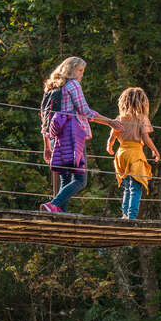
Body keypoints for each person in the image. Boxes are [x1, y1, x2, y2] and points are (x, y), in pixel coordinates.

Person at [39, 56, 122, 213]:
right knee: (80, 180)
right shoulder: (73, 85)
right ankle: (52, 204)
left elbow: (44, 119)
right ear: (71, 70)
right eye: (80, 70)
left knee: (65, 178)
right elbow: (86, 112)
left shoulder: (51, 88)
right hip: (72, 137)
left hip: (56, 138)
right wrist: (110, 122)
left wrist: (47, 145)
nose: (82, 75)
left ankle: (60, 218)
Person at [108, 87, 160, 220]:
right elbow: (146, 138)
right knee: (136, 186)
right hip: (135, 154)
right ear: (143, 103)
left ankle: (125, 214)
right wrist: (155, 150)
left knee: (127, 187)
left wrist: (109, 146)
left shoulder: (120, 118)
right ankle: (132, 216)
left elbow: (112, 137)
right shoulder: (141, 118)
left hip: (121, 153)